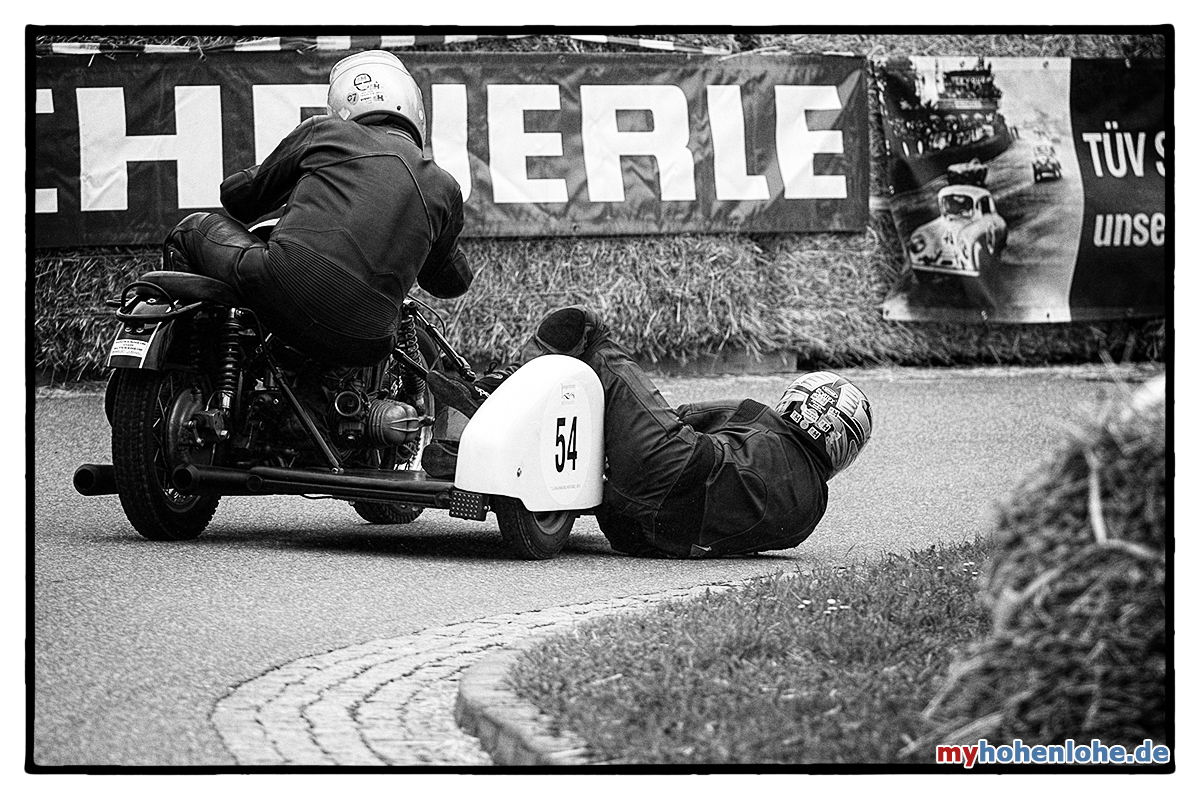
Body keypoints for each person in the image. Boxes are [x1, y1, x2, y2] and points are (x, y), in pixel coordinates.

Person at [428, 306, 874, 559]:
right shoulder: (810, 514)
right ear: (843, 445)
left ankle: (491, 395)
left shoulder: (760, 417)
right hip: (644, 536)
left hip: (673, 468)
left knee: (592, 334)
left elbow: (682, 415)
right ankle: (490, 431)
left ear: (799, 401)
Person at [161, 50, 472, 367]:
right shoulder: (445, 187)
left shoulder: (324, 132)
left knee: (192, 227)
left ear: (339, 106)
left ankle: (187, 363)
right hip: (371, 339)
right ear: (415, 107)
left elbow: (239, 201)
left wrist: (281, 173)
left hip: (280, 288)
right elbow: (450, 283)